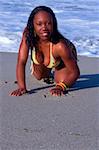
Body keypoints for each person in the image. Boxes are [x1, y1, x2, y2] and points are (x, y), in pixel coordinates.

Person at [10, 6, 80, 96]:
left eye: (48, 23)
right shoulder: (28, 34)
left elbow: (75, 72)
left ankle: (57, 69)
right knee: (39, 76)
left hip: (65, 53)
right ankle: (46, 69)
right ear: (33, 25)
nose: (44, 28)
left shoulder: (60, 46)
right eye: (39, 24)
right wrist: (22, 87)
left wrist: (61, 87)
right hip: (43, 55)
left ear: (53, 24)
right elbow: (21, 61)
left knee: (61, 81)